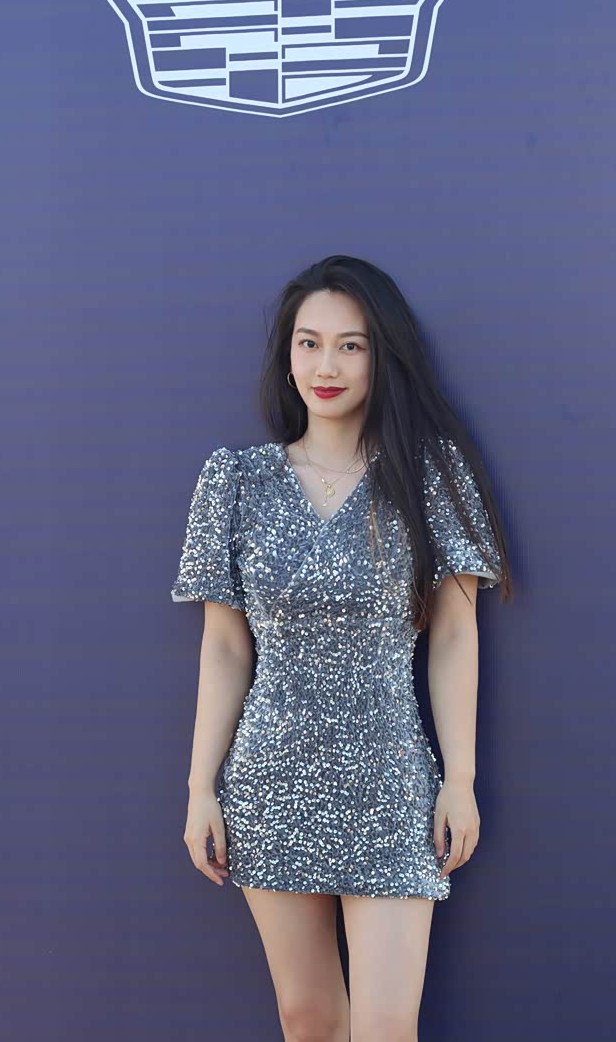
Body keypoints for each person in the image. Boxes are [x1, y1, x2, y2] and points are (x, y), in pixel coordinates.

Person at [170, 254, 512, 1042]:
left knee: (388, 1026)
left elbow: (454, 633)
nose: (326, 367)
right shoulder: (236, 481)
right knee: (308, 1018)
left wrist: (459, 779)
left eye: (351, 346)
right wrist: (199, 787)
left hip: (390, 778)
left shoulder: (430, 474)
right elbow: (225, 649)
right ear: (287, 354)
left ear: (381, 355)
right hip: (269, 780)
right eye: (309, 343)